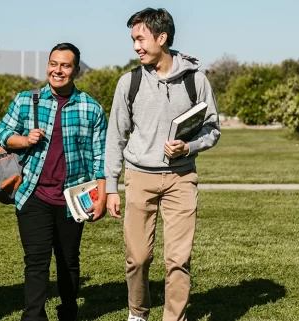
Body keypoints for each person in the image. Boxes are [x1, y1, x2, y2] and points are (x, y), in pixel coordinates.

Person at [104, 8, 221, 321]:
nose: (135, 46)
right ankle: (138, 313)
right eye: (133, 40)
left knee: (178, 259)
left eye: (140, 39)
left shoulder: (197, 81)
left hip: (182, 179)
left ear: (162, 38)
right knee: (138, 258)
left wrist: (189, 145)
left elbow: (213, 128)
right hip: (139, 178)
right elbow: (115, 136)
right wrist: (112, 187)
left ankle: (174, 318)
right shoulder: (128, 82)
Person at [0, 42, 108, 321]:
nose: (58, 70)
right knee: (36, 261)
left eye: (65, 65)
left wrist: (102, 197)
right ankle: (33, 316)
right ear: (47, 66)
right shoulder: (26, 100)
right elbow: (2, 133)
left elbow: (101, 158)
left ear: (76, 70)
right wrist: (24, 139)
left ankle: (68, 311)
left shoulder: (90, 109)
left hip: (74, 198)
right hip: (32, 193)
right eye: (53, 64)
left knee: (68, 260)